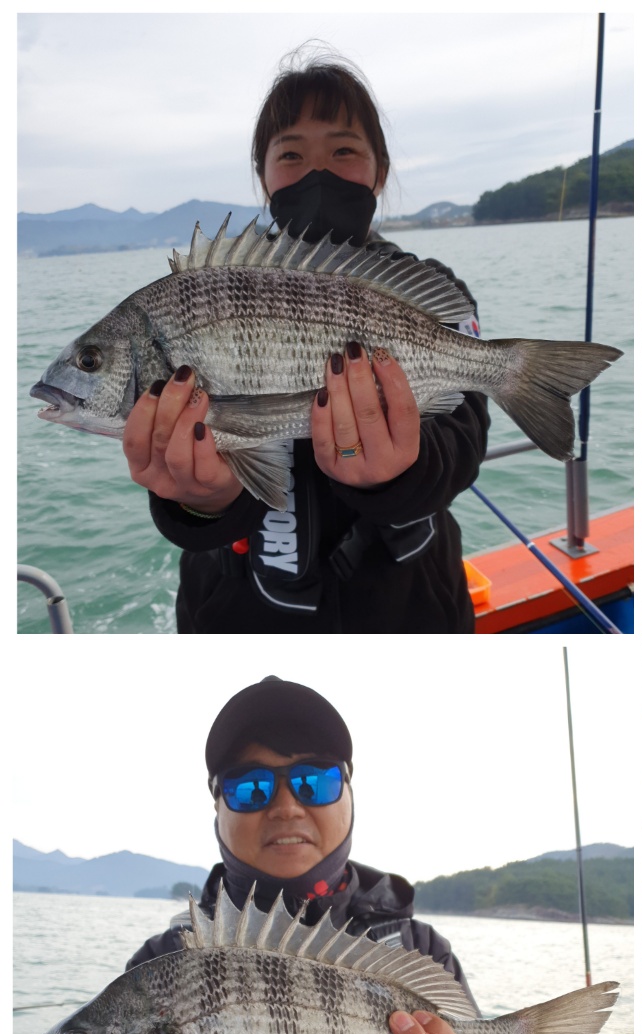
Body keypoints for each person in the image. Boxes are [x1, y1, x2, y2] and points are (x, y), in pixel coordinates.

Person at [37, 677, 514, 1034]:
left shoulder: (417, 950)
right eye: (250, 787)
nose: (286, 806)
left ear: (349, 795)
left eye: (315, 780)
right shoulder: (167, 964)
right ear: (217, 808)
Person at [124, 55, 490, 632]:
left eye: (343, 150)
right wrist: (201, 499)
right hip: (243, 614)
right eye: (291, 155)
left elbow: (462, 441)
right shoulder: (202, 298)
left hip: (412, 609)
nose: (318, 171)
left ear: (380, 170)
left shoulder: (429, 289)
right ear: (263, 175)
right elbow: (195, 501)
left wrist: (402, 472)